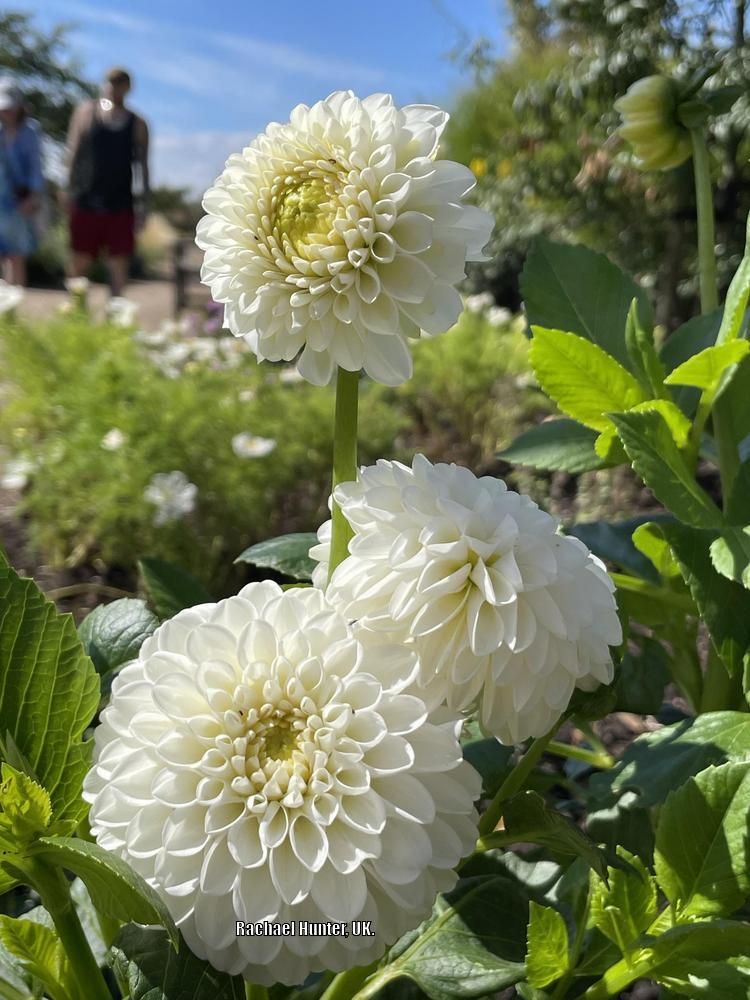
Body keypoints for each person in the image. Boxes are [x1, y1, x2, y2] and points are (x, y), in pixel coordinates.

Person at [66, 66, 149, 296]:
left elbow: (143, 168)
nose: (113, 88)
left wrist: (143, 206)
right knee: (79, 263)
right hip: (86, 199)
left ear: (128, 88)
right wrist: (68, 193)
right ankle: (76, 314)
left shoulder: (138, 123)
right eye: (110, 82)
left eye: (119, 83)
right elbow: (72, 155)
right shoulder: (85, 113)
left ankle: (115, 317)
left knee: (118, 266)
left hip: (121, 203)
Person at [0, 78, 44, 286]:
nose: (6, 112)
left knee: (16, 255)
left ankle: (14, 306)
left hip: (21, 200)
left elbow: (36, 167)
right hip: (1, 199)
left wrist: (34, 197)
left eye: (9, 107)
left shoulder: (30, 132)